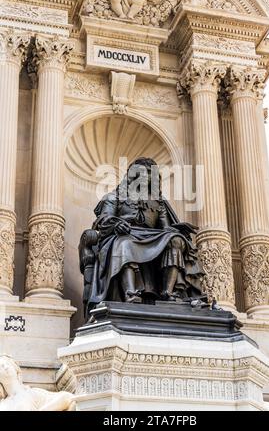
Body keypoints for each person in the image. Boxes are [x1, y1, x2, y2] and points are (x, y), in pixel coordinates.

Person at [79, 158, 206, 319]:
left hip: (152, 237)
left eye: (148, 173)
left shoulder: (158, 202)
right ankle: (130, 293)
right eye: (140, 173)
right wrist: (116, 224)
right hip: (125, 234)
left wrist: (178, 229)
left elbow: (165, 228)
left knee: (175, 239)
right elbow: (103, 219)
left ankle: (168, 292)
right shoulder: (114, 196)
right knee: (125, 243)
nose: (144, 177)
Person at [0, 356, 76, 411]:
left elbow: (67, 398)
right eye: (1, 366)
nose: (6, 366)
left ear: (15, 369)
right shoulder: (2, 405)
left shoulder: (32, 394)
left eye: (8, 363)